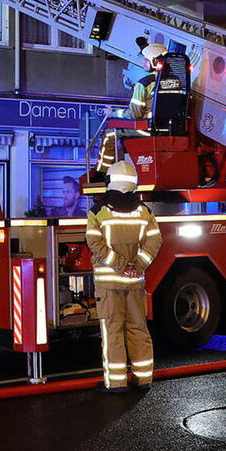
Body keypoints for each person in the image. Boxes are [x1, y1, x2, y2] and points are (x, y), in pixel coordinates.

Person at [85, 160, 161, 393]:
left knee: (113, 331)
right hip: (134, 281)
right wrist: (136, 266)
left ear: (111, 182)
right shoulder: (145, 213)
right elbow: (155, 241)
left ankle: (116, 383)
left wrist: (120, 265)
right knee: (138, 328)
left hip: (109, 284)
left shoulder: (98, 213)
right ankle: (143, 378)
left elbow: (94, 242)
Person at [96, 37, 168, 173]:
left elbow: (134, 115)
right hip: (168, 129)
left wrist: (112, 113)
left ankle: (101, 173)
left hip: (147, 129)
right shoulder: (176, 81)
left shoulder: (144, 84)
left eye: (146, 59)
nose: (143, 62)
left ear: (154, 62)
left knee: (109, 134)